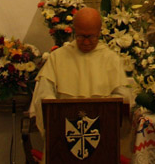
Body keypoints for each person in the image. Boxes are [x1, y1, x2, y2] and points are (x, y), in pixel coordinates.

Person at [29, 7, 133, 135]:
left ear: (99, 33)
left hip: (102, 137)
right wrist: (58, 113)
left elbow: (122, 99)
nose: (86, 42)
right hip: (63, 136)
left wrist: (104, 113)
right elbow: (43, 96)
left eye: (91, 36)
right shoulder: (57, 58)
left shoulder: (111, 59)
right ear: (74, 31)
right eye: (81, 36)